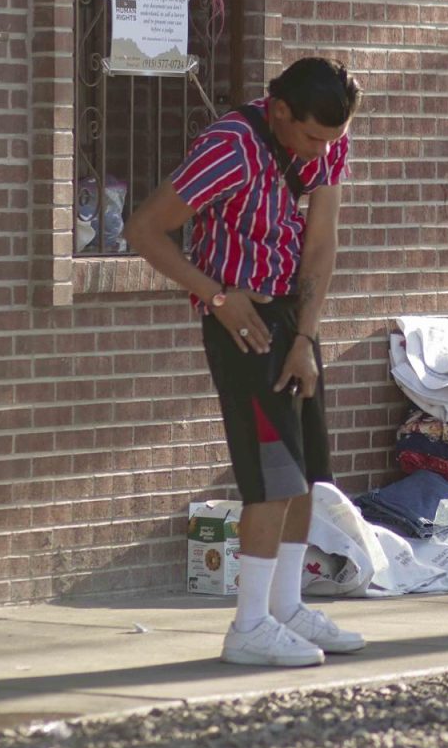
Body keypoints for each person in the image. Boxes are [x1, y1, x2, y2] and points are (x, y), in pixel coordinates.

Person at [124, 57, 365, 667]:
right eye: (311, 138)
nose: (320, 153)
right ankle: (248, 625)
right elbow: (146, 230)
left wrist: (307, 338)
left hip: (291, 318)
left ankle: (286, 605)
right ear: (279, 110)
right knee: (272, 474)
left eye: (331, 142)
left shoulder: (327, 143)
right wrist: (217, 298)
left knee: (307, 471)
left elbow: (321, 242)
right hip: (241, 318)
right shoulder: (229, 147)